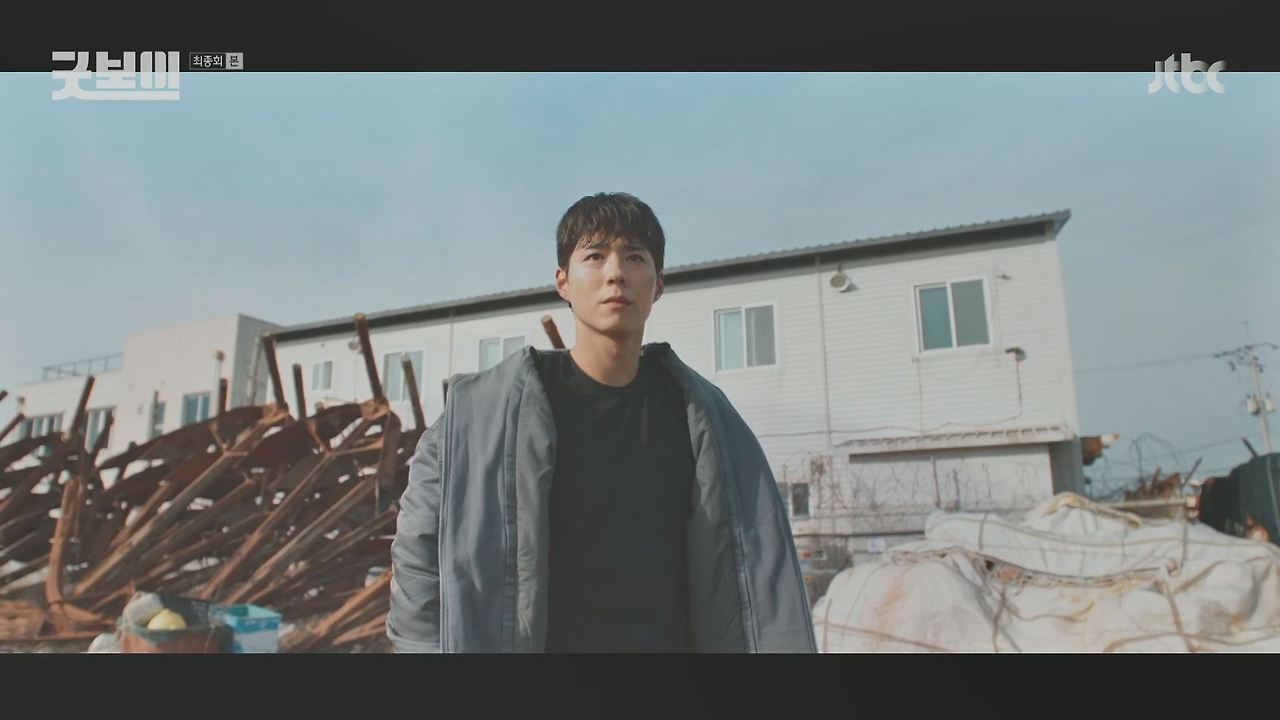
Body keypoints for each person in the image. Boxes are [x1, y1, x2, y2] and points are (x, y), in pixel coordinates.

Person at [387, 192, 816, 652]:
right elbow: (418, 560)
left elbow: (759, 568)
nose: (616, 273)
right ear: (563, 282)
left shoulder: (707, 420)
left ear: (659, 284)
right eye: (594, 256)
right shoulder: (483, 417)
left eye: (635, 257)